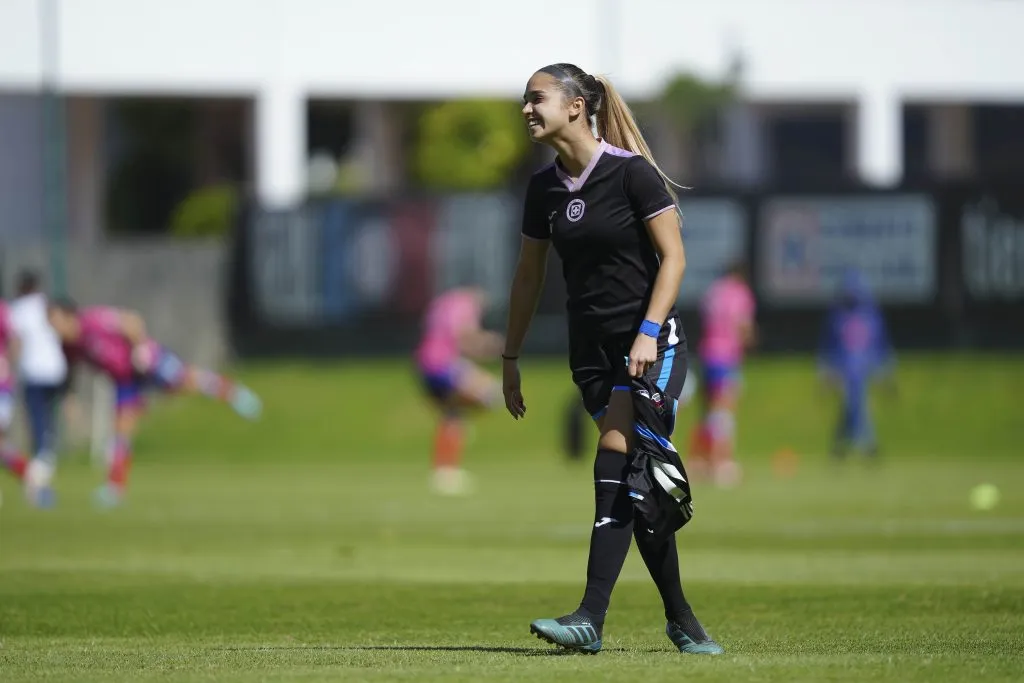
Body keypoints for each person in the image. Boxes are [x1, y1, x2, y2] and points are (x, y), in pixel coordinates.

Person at [502, 63, 723, 655]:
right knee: (639, 485)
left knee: (618, 456)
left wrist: (649, 331)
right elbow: (528, 276)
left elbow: (673, 260)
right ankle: (681, 620)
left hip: (654, 348)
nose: (526, 108)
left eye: (537, 98)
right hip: (593, 357)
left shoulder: (633, 176)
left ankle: (589, 618)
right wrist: (510, 355)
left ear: (576, 106)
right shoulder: (543, 188)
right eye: (524, 99)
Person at [47, 299, 262, 507]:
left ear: (69, 316)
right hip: (124, 380)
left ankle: (233, 392)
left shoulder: (93, 320)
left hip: (145, 360)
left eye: (55, 321)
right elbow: (70, 371)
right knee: (121, 430)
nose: (53, 328)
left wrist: (140, 347)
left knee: (185, 381)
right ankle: (114, 488)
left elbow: (131, 320)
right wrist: (69, 398)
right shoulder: (69, 346)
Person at [414, 286, 503, 495]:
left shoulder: (441, 302)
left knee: (452, 416)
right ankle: (447, 465)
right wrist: (491, 345)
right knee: (493, 394)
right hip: (443, 365)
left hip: (424, 363)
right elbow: (464, 337)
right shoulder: (466, 305)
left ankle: (445, 470)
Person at [688, 261, 756, 487]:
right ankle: (720, 463)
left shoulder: (714, 291)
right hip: (726, 357)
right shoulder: (740, 293)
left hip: (706, 353)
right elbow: (743, 326)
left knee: (707, 413)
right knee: (723, 413)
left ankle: (699, 461)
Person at [819, 269, 895, 459]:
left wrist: (884, 370)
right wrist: (826, 371)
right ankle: (863, 445)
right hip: (844, 371)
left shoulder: (871, 316)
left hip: (863, 370)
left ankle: (854, 445)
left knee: (857, 405)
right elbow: (829, 346)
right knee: (852, 405)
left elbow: (880, 345)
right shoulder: (837, 317)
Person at [8, 270, 66, 506]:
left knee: (37, 426)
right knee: (48, 428)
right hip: (56, 370)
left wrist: (9, 369)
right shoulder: (46, 304)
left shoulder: (19, 308)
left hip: (34, 372)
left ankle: (38, 481)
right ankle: (43, 468)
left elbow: (16, 342)